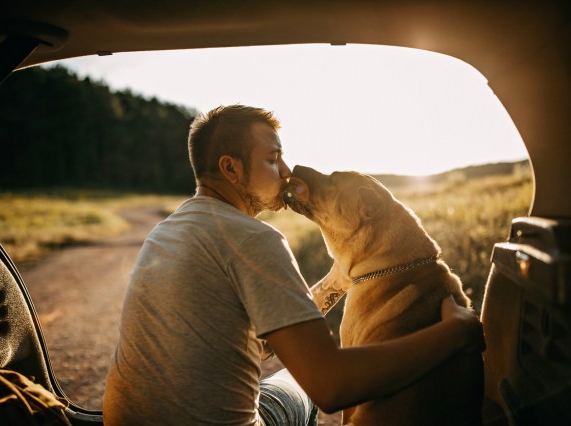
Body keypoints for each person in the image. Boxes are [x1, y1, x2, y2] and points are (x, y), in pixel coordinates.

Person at [103, 104, 485, 425]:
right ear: (231, 169)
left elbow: (259, 345)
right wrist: (454, 333)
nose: (287, 171)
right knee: (302, 387)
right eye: (272, 159)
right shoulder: (253, 239)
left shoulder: (168, 231)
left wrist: (338, 281)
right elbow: (331, 387)